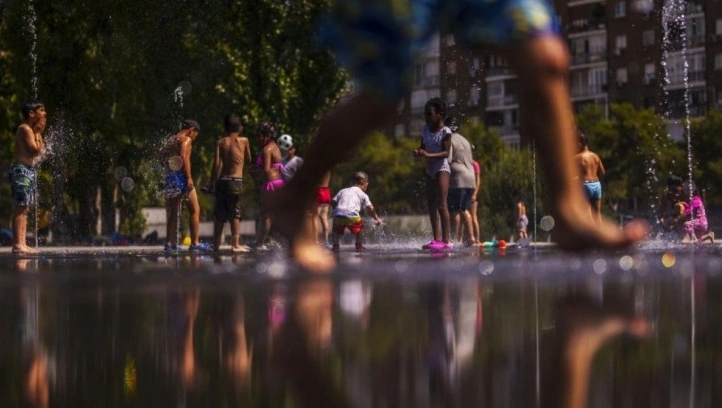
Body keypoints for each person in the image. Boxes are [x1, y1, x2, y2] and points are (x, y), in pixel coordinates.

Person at [267, 0, 647, 273]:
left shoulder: (447, 136)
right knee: (379, 98)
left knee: (544, 56)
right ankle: (293, 198)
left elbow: (447, 157)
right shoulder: (433, 132)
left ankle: (568, 214)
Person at [158, 119, 211, 252]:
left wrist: (170, 168)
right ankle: (195, 244)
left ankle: (169, 244)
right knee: (195, 209)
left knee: (174, 212)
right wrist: (188, 178)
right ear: (192, 130)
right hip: (182, 177)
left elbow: (160, 157)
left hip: (171, 176)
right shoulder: (186, 139)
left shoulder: (171, 140)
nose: (194, 138)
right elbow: (183, 156)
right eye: (195, 135)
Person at [204, 113, 252, 253]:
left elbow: (216, 164)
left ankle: (216, 245)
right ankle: (235, 244)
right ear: (240, 128)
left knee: (220, 214)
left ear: (225, 128)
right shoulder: (244, 141)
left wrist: (211, 182)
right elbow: (249, 160)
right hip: (236, 181)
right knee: (235, 214)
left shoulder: (220, 142)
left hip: (222, 181)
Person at [415, 98, 452, 250]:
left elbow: (445, 153)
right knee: (431, 204)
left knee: (441, 205)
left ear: (440, 114)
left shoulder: (446, 132)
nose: (426, 117)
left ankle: (446, 241)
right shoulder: (425, 129)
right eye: (425, 114)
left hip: (441, 168)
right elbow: (422, 146)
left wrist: (428, 155)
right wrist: (418, 152)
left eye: (429, 114)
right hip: (429, 168)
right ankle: (436, 239)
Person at [11, 101, 47, 255]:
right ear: (32, 114)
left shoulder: (31, 130)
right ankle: (17, 244)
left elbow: (42, 150)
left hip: (28, 171)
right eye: (42, 110)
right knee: (20, 207)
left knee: (25, 208)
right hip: (21, 171)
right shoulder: (25, 129)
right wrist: (38, 132)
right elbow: (34, 149)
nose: (45, 114)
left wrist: (39, 132)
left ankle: (22, 242)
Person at [331, 171, 382, 252]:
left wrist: (335, 210)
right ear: (365, 184)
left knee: (335, 230)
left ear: (352, 182)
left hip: (338, 215)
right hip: (352, 216)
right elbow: (370, 208)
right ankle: (359, 246)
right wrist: (376, 218)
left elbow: (333, 202)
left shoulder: (342, 190)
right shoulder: (363, 194)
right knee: (360, 230)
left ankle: (335, 246)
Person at [255, 121, 285, 251]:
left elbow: (266, 170)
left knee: (265, 215)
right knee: (275, 214)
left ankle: (260, 244)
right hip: (279, 183)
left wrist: (254, 171)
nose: (257, 139)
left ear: (267, 135)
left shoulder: (267, 149)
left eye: (258, 136)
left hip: (270, 185)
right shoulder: (276, 147)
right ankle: (274, 240)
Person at [446, 119, 477, 246]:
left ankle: (457, 239)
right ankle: (471, 238)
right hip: (471, 178)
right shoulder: (466, 141)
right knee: (464, 208)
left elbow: (447, 159)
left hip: (458, 179)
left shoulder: (450, 140)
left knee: (455, 210)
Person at [576, 131, 605, 226]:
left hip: (585, 185)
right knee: (597, 214)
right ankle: (600, 237)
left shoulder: (577, 157)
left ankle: (591, 236)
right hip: (597, 185)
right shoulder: (595, 156)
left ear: (579, 144)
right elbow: (602, 172)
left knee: (587, 214)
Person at [312, 171, 332, 246]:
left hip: (319, 191)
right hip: (327, 191)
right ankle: (326, 241)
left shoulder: (319, 168)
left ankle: (315, 241)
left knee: (314, 217)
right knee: (324, 217)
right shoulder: (328, 170)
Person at [470, 148, 482, 242]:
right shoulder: (465, 163)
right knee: (463, 216)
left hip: (472, 192)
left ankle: (477, 239)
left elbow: (478, 180)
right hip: (465, 191)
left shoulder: (474, 164)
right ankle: (462, 238)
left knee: (474, 217)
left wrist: (475, 193)